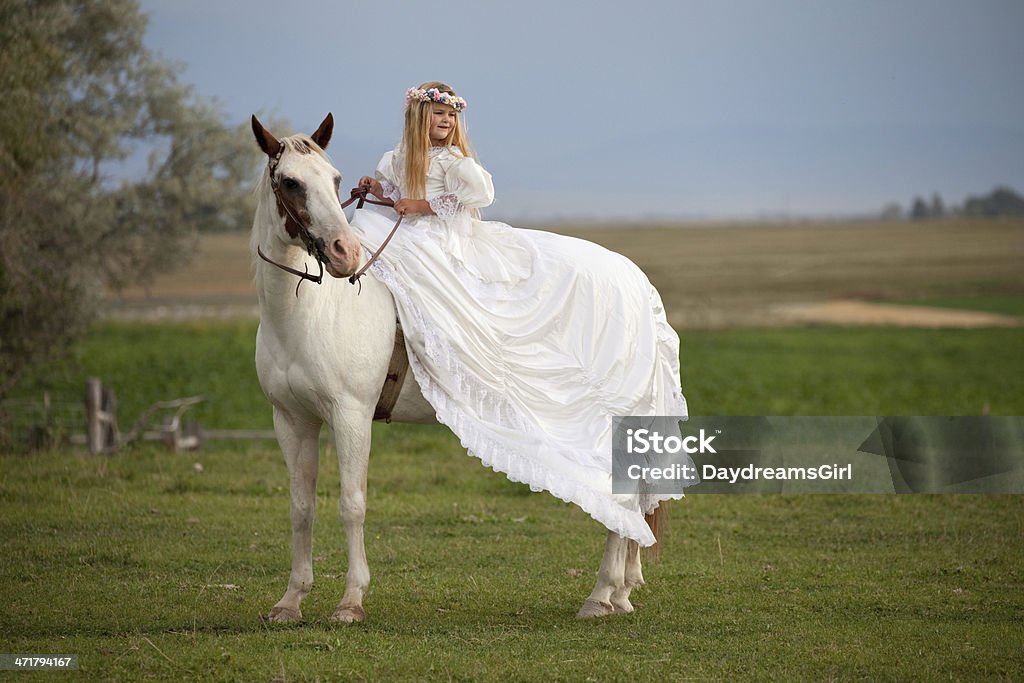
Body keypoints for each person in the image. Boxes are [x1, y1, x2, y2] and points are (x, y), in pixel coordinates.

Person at [352, 82, 693, 546]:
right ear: (418, 120)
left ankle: (453, 352)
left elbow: (474, 200)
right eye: (437, 116)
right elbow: (396, 195)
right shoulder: (397, 159)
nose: (446, 123)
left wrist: (425, 206)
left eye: (451, 117)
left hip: (445, 239)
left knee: (452, 288)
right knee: (362, 236)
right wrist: (381, 193)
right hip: (411, 234)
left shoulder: (457, 163)